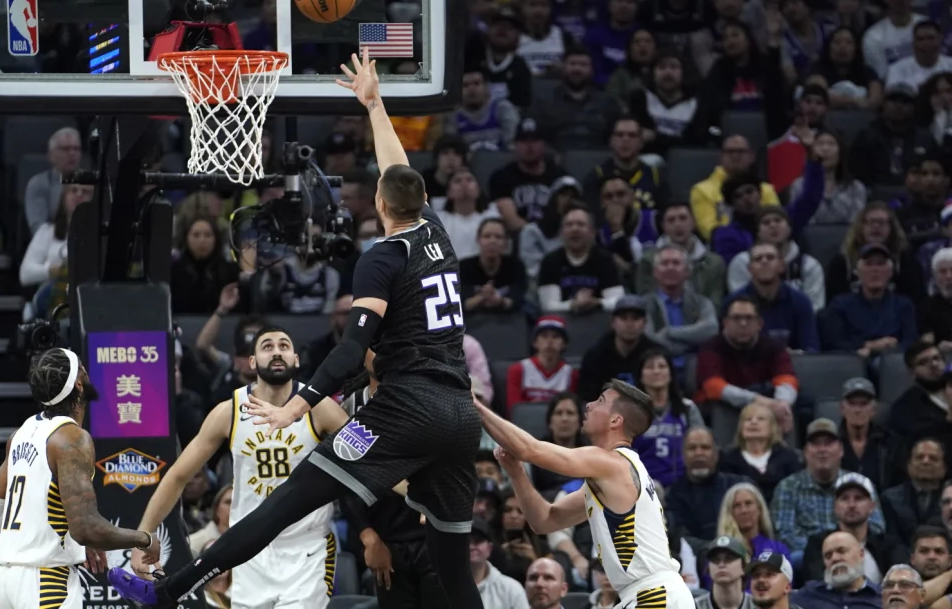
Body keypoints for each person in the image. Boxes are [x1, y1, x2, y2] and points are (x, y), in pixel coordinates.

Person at [110, 51, 484, 608]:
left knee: (286, 502)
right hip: (460, 415)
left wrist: (296, 407)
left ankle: (167, 593)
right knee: (454, 570)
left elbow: (352, 349)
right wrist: (375, 106)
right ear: (421, 201)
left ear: (379, 205)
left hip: (405, 408)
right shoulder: (438, 235)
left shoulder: (382, 255)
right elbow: (397, 171)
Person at [128, 327, 350, 606]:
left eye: (284, 346)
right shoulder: (229, 411)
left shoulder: (319, 407)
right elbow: (178, 476)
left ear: (295, 359)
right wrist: (143, 537)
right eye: (267, 346)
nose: (277, 351)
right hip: (248, 549)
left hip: (306, 547)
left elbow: (372, 460)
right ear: (252, 361)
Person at [477, 379, 697, 609]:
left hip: (654, 596)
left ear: (615, 420)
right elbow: (545, 521)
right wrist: (517, 474)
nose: (589, 405)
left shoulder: (612, 463)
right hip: (645, 595)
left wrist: (476, 406)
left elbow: (530, 449)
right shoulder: (610, 475)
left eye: (600, 401)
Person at [0, 348, 152, 609]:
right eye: (83, 367)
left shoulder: (21, 434)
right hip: (47, 581)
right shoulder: (72, 438)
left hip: (8, 580)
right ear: (79, 385)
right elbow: (86, 529)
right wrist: (145, 539)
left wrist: (68, 537)